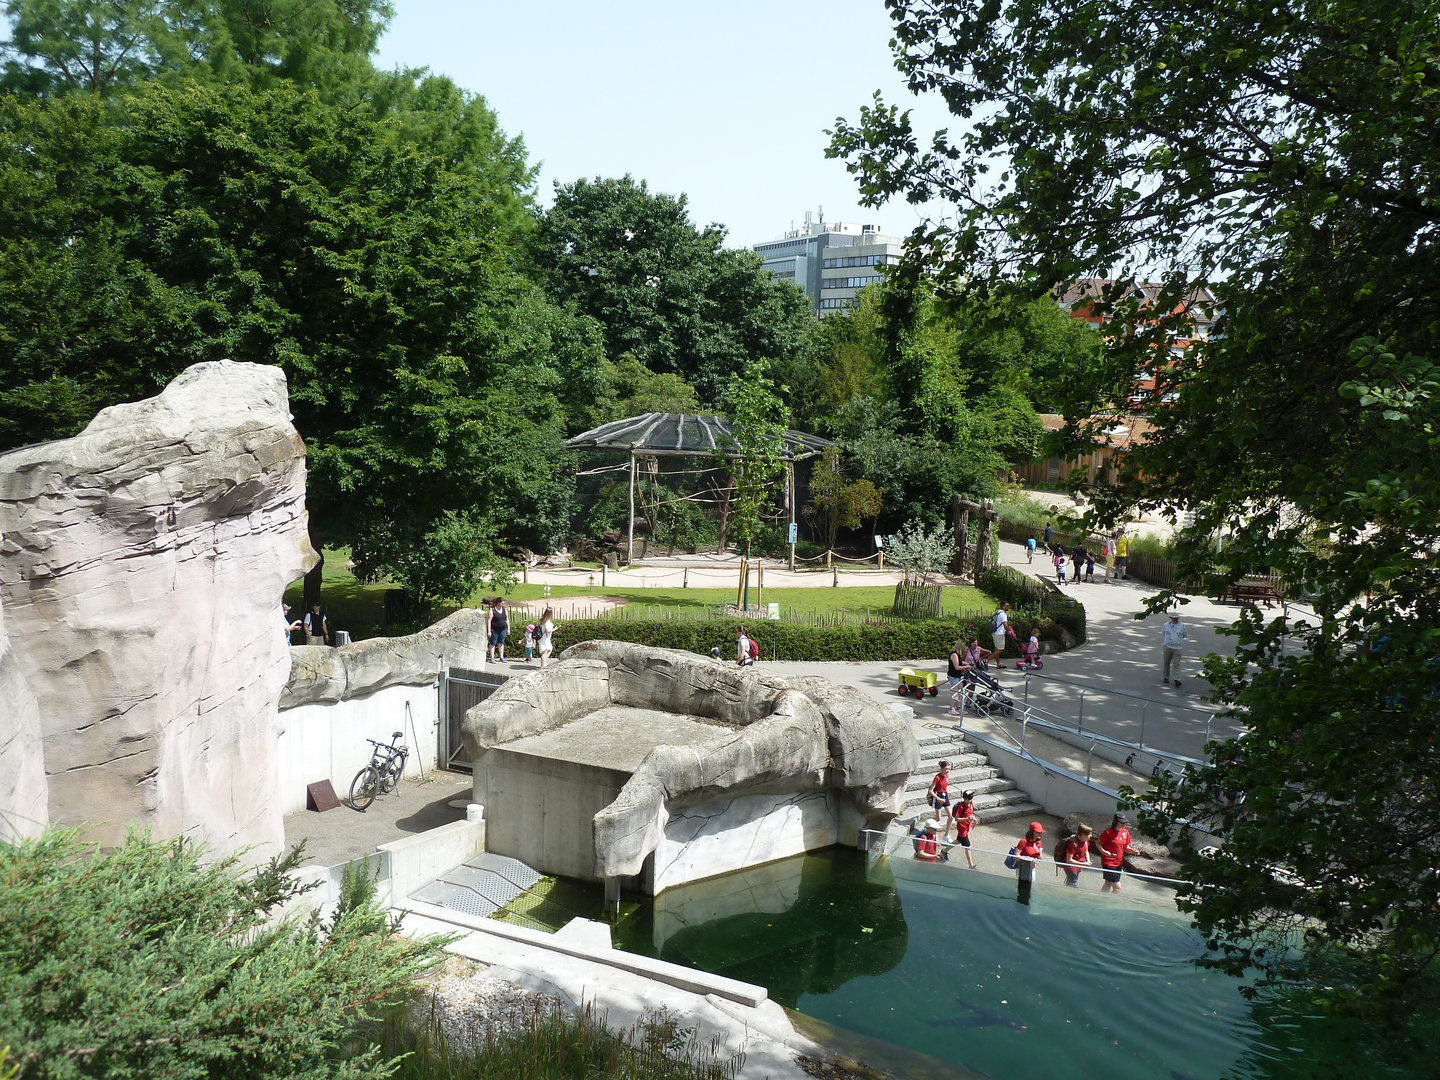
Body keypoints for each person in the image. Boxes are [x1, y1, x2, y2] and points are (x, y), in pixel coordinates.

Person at [1098, 813, 1133, 893]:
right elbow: (1098, 843)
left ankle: (1101, 899)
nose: (1124, 824)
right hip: (1108, 862)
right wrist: (1104, 851)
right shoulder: (1108, 832)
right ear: (1116, 822)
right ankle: (1112, 904)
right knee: (1117, 888)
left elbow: (1125, 847)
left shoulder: (1125, 832)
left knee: (1108, 884)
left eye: (1124, 822)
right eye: (1121, 822)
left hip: (1118, 863)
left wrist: (1133, 851)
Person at [1014, 820, 1046, 904]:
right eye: (1038, 832)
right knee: (1022, 886)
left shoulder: (1039, 843)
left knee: (1031, 885)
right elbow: (1016, 856)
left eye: (1041, 832)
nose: (1040, 834)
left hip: (1032, 868)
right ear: (1032, 832)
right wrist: (1028, 860)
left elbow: (1040, 857)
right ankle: (1020, 901)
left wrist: (1039, 855)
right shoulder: (1023, 841)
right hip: (1022, 869)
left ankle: (1027, 901)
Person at [950, 790, 977, 867]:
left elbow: (970, 814)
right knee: (967, 846)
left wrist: (974, 819)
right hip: (962, 828)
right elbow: (956, 819)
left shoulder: (971, 804)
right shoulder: (961, 807)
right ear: (965, 799)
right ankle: (971, 865)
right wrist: (967, 819)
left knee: (958, 841)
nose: (970, 800)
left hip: (966, 827)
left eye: (971, 798)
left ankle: (943, 851)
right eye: (969, 798)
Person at [1161, 611, 1188, 686]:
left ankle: (1177, 679)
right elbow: (1163, 633)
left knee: (1176, 663)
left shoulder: (1182, 626)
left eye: (1176, 618)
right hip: (1167, 646)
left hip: (1177, 647)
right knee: (1166, 662)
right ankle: (1166, 677)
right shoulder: (1166, 625)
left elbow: (1185, 635)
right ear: (1171, 618)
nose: (1175, 620)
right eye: (1174, 618)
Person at [927, 760, 952, 830]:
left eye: (949, 769)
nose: (947, 771)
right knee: (938, 818)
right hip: (938, 795)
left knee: (951, 816)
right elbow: (930, 790)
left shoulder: (947, 775)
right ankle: (928, 823)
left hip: (945, 794)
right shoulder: (937, 777)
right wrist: (938, 798)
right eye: (946, 769)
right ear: (941, 769)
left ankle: (946, 834)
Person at [488, 596, 510, 663]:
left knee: (501, 643)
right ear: (498, 603)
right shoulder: (492, 610)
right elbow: (489, 620)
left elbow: (507, 619)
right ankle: (492, 658)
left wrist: (508, 628)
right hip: (494, 629)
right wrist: (489, 631)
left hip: (503, 629)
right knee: (493, 643)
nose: (503, 604)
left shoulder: (504, 610)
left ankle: (501, 657)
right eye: (502, 603)